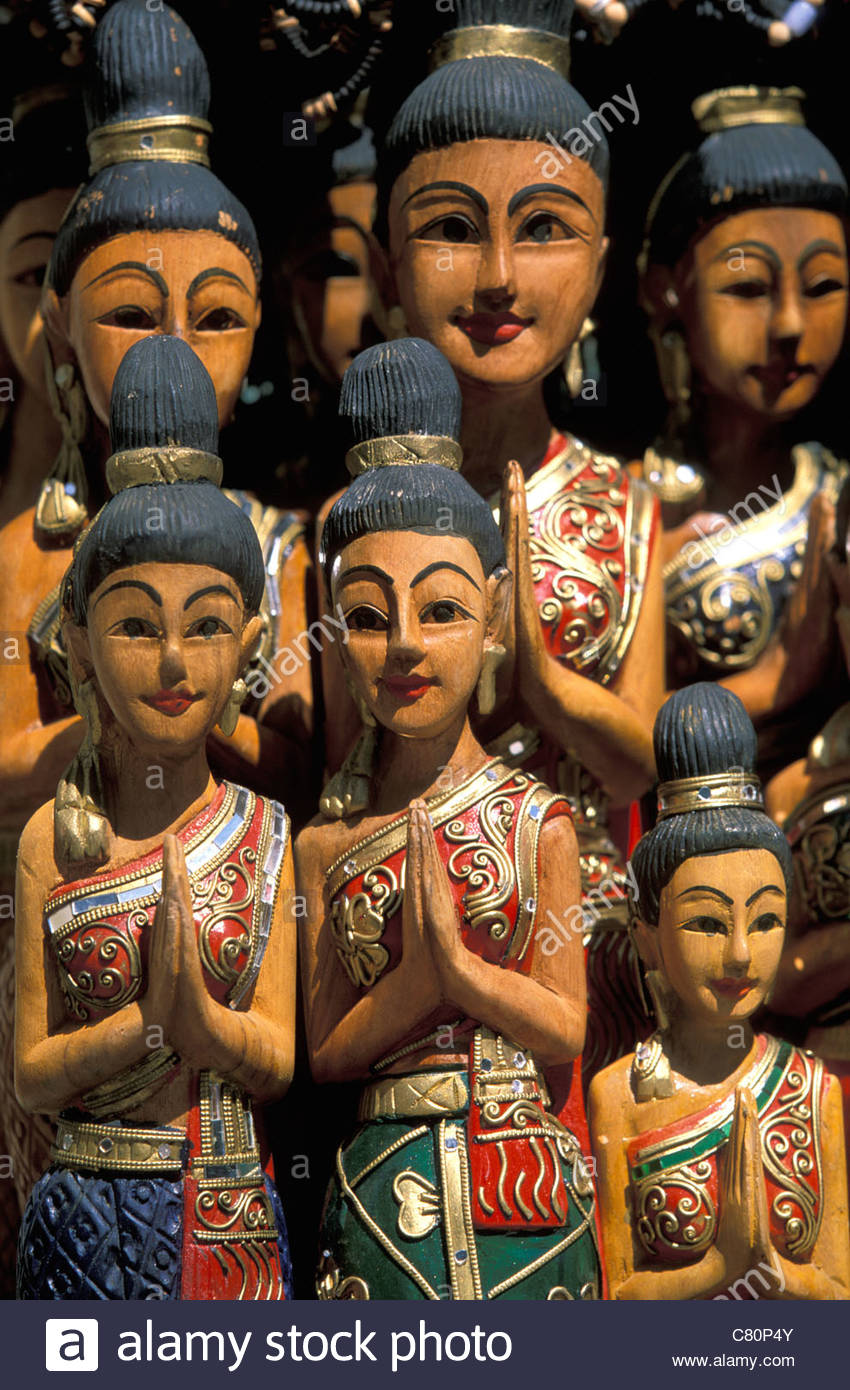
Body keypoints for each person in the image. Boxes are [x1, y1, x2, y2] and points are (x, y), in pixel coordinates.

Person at [322, 0, 665, 1083]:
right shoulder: (342, 528)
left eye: (546, 227)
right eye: (452, 228)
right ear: (388, 266)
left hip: (594, 970)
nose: (501, 276)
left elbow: (641, 768)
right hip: (390, 969)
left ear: (602, 266)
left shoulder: (625, 505)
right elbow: (336, 776)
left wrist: (542, 680)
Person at [297, 337, 601, 1300]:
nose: (405, 647)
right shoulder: (324, 845)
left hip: (523, 1191)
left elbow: (566, 1026)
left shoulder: (536, 822)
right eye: (367, 616)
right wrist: (418, 982)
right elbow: (325, 1055)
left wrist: (461, 975)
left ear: (498, 616)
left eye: (441, 611)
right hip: (381, 1195)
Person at [15, 334, 296, 1299]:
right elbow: (32, 1074)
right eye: (136, 625)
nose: (175, 662)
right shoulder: (54, 842)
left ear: (251, 644)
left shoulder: (265, 832)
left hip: (228, 1204)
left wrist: (202, 1026)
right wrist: (146, 1024)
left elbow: (277, 1062)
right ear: (78, 643)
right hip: (85, 1211)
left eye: (207, 625)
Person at [588, 682, 850, 1299]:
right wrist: (721, 1267)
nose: (739, 954)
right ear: (647, 938)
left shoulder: (815, 1090)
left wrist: (773, 1272)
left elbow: (840, 1293)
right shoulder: (619, 1097)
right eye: (706, 923)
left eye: (766, 921)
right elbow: (614, 1299)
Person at [639, 86, 848, 769]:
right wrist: (776, 678)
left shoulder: (839, 501)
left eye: (823, 285)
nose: (789, 323)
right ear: (664, 292)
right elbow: (598, 741)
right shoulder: (615, 507)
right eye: (749, 287)